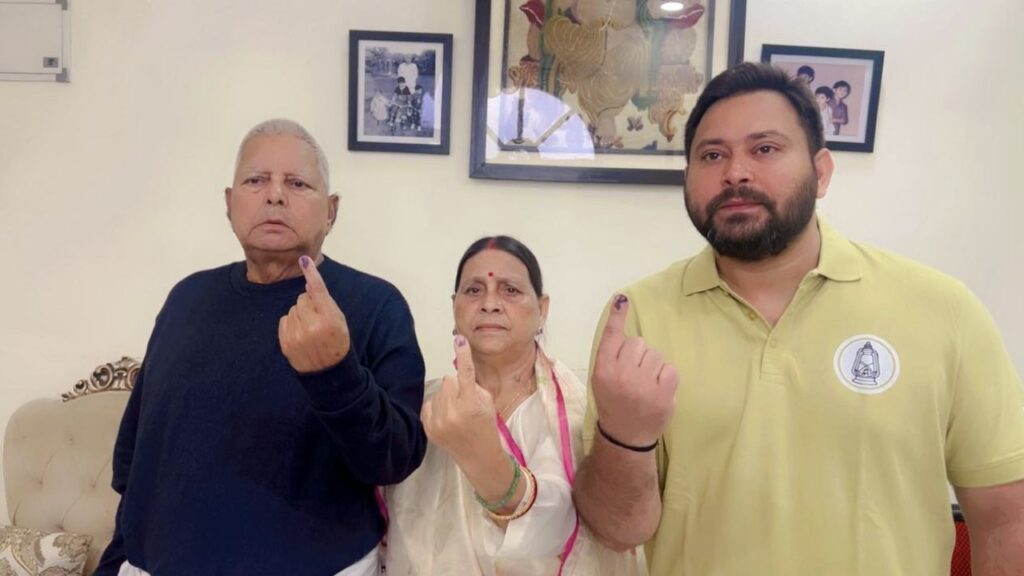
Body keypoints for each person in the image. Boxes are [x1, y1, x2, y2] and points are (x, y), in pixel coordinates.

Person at [573, 62, 1024, 575]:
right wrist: (624, 437)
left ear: (821, 171)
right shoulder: (638, 317)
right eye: (712, 155)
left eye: (765, 148)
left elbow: (1007, 518)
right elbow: (618, 531)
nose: (736, 172)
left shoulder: (943, 309)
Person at [95, 119, 427, 576]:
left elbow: (395, 459)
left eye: (297, 183)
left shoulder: (375, 305)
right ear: (229, 203)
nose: (275, 196)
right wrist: (117, 559)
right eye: (256, 180)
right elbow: (137, 462)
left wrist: (335, 373)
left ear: (331, 211)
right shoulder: (187, 298)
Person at [385, 236, 645, 575]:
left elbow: (566, 529)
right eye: (473, 290)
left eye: (510, 290)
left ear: (542, 309)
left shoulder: (579, 411)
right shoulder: (424, 406)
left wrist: (484, 463)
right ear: (454, 308)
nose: (490, 304)